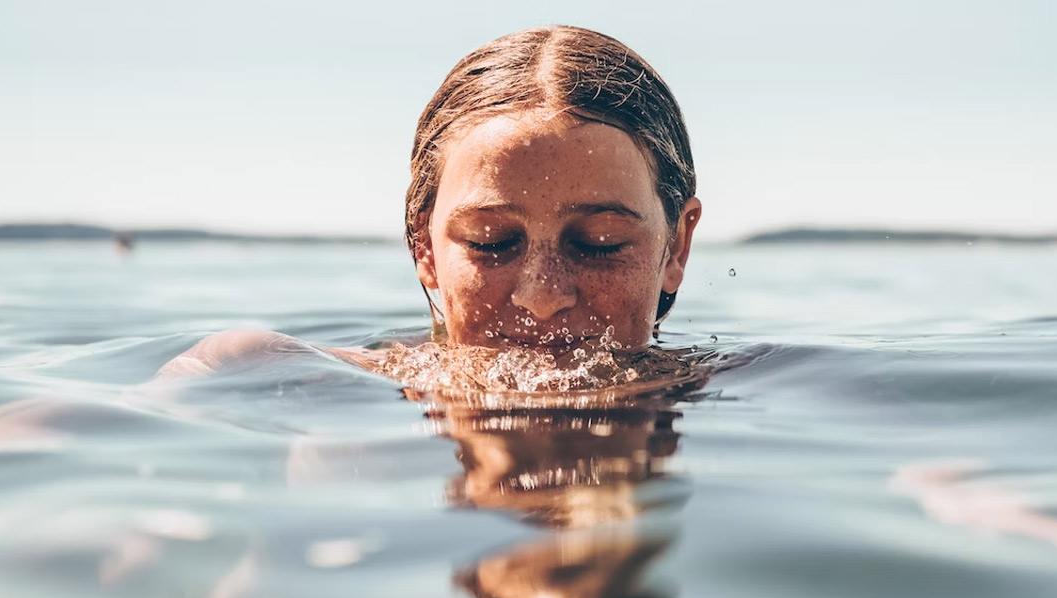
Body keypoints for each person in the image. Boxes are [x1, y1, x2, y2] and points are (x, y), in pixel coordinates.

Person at [157, 25, 703, 381]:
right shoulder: (266, 372)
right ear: (425, 249)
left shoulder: (755, 388)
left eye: (598, 243)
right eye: (491, 243)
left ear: (676, 247)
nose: (542, 296)